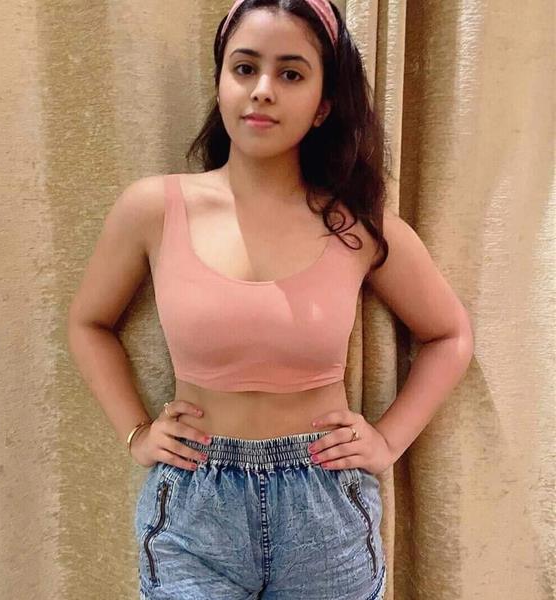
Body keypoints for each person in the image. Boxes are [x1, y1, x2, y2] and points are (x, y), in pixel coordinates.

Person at [67, 1, 474, 599]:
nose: (262, 90)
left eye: (290, 73)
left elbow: (450, 335)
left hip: (325, 505)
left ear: (323, 105)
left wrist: (388, 441)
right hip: (193, 502)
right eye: (244, 68)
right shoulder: (153, 208)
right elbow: (88, 323)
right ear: (220, 82)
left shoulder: (355, 226)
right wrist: (137, 433)